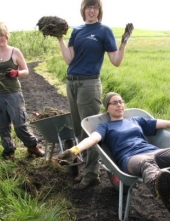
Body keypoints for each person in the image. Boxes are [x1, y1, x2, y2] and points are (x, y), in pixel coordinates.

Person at [56, 0, 134, 190]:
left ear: (99, 10)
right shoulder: (77, 30)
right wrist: (59, 38)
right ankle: (87, 169)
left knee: (89, 130)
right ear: (83, 10)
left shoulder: (104, 30)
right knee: (78, 129)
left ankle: (91, 175)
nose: (92, 10)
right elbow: (69, 59)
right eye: (88, 7)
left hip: (89, 84)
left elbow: (115, 61)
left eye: (95, 7)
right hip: (71, 82)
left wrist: (123, 43)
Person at [0, 22, 44, 160]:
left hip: (13, 93)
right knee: (1, 124)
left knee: (19, 123)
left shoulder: (15, 51)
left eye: (1, 35)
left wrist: (16, 73)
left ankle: (32, 146)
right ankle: (9, 149)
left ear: (6, 36)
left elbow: (26, 71)